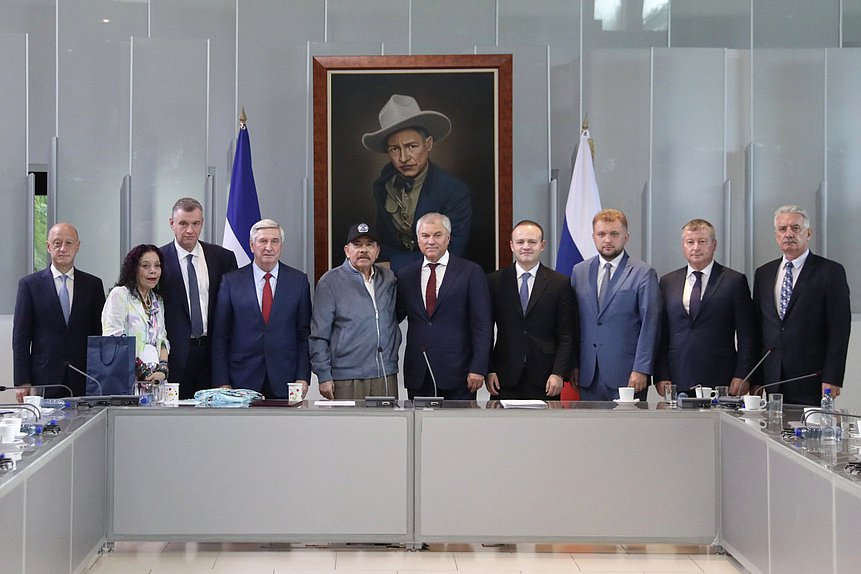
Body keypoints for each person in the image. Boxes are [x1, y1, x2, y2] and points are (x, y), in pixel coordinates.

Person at [752, 205, 851, 406]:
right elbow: (758, 327)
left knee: (810, 435)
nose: (788, 234)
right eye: (782, 229)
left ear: (808, 233)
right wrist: (756, 379)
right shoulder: (763, 274)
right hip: (772, 378)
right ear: (776, 235)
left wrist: (833, 377)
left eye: (795, 228)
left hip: (812, 377)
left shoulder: (830, 272)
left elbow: (839, 329)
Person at [362, 94, 471, 271]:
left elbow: (451, 251)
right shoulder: (382, 186)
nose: (404, 158)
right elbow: (382, 241)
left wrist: (393, 265)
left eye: (411, 146)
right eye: (395, 149)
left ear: (428, 144)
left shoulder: (453, 190)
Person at [655, 219, 757, 398]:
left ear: (714, 245)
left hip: (721, 378)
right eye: (690, 242)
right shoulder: (668, 282)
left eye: (702, 241)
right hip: (678, 377)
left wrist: (743, 374)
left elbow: (747, 334)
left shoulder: (734, 281)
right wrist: (661, 374)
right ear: (683, 246)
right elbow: (662, 333)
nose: (696, 247)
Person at [211, 219, 311, 399]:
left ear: (281, 246)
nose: (269, 247)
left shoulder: (298, 281)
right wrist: (222, 381)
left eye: (274, 241)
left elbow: (303, 335)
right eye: (263, 241)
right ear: (251, 245)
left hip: (285, 379)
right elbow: (220, 336)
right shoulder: (231, 282)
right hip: (241, 380)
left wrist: (302, 377)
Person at [396, 212, 492, 400]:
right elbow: (394, 316)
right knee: (419, 429)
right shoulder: (406, 275)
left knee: (457, 429)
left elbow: (482, 325)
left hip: (460, 374)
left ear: (448, 238)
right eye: (425, 236)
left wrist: (479, 367)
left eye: (437, 235)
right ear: (418, 239)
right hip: (419, 372)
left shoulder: (471, 272)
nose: (431, 241)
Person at [570, 208, 661, 401]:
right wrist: (574, 364)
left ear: (626, 237)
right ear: (593, 236)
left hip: (628, 374)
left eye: (614, 234)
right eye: (601, 234)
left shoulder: (643, 272)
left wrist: (641, 368)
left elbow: (650, 325)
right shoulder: (579, 271)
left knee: (627, 431)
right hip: (588, 373)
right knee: (590, 431)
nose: (607, 240)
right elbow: (574, 323)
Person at [486, 220, 577, 400]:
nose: (526, 247)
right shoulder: (493, 282)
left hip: (546, 378)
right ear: (512, 245)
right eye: (520, 242)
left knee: (544, 429)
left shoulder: (559, 284)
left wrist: (558, 373)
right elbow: (485, 330)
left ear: (542, 245)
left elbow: (567, 334)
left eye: (532, 242)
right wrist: (489, 369)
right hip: (504, 377)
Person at [12, 223, 105, 398]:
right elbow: (21, 338)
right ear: (48, 246)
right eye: (57, 243)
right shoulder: (29, 285)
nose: (63, 248)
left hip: (84, 377)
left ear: (77, 246)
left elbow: (99, 335)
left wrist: (102, 375)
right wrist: (22, 381)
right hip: (44, 377)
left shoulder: (93, 285)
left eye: (69, 243)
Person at [310, 223, 401, 400]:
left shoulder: (388, 279)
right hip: (346, 377)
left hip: (384, 374)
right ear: (347, 250)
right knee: (350, 428)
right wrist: (324, 375)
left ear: (377, 251)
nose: (363, 250)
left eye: (369, 245)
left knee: (388, 428)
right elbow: (318, 335)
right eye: (357, 244)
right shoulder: (330, 282)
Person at [160, 197, 238, 398]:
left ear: (202, 223)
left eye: (195, 223)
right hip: (174, 357)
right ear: (172, 223)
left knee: (212, 421)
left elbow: (233, 311)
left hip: (213, 356)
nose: (189, 230)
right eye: (183, 223)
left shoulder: (223, 258)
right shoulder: (157, 260)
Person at [102, 245, 170, 382]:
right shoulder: (120, 295)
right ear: (134, 269)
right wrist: (142, 370)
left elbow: (163, 339)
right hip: (126, 379)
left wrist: (163, 369)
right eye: (146, 266)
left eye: (157, 266)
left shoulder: (158, 301)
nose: (153, 271)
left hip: (156, 382)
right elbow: (114, 340)